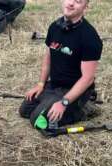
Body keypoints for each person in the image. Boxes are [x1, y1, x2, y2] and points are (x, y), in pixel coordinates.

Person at [19, 0, 103, 130]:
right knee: (24, 110)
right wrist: (41, 84)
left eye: (78, 1)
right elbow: (48, 58)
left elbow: (88, 79)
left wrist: (63, 103)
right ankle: (50, 101)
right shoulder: (55, 27)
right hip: (55, 85)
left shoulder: (89, 37)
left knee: (39, 121)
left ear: (85, 7)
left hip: (74, 90)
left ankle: (85, 108)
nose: (71, 4)